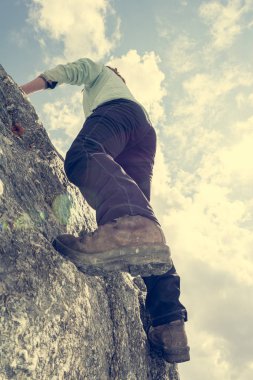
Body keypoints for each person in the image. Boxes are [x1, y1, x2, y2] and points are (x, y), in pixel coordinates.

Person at [20, 57, 190, 363]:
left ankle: (129, 229)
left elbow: (70, 71)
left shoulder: (101, 76)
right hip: (144, 135)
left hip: (117, 115)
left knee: (83, 155)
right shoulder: (130, 98)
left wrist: (21, 92)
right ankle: (169, 323)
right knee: (144, 222)